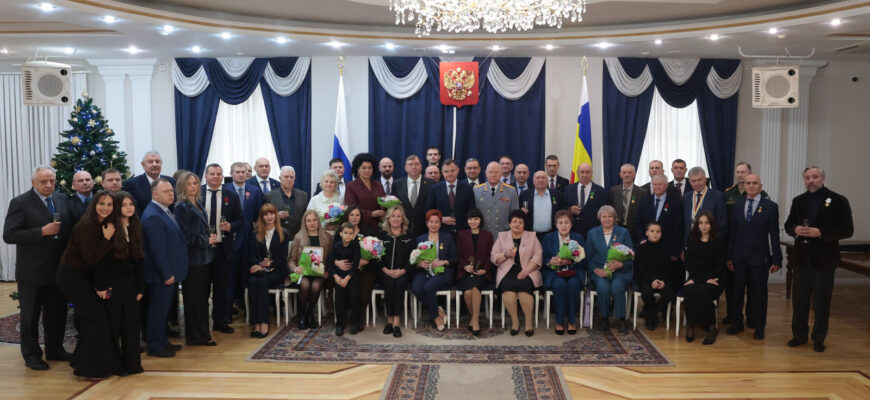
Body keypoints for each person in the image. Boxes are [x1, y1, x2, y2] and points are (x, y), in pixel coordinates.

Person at [3, 165, 72, 370]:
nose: (49, 185)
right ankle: (32, 355)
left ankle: (55, 349)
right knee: (30, 317)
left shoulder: (61, 199)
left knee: (57, 313)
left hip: (58, 270)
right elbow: (9, 235)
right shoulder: (20, 203)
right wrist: (41, 231)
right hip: (32, 272)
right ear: (33, 182)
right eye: (43, 181)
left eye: (52, 181)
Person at [784, 166, 853, 352]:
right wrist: (794, 229)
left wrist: (821, 232)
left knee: (822, 302)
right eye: (807, 177)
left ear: (823, 178)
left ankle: (818, 339)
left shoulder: (838, 200)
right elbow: (789, 223)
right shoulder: (798, 201)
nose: (811, 180)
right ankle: (799, 335)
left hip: (824, 260)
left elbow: (848, 229)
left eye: (815, 177)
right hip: (802, 259)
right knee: (799, 301)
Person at [56, 190, 122, 377]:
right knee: (98, 319)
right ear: (94, 205)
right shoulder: (87, 225)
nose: (105, 208)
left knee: (89, 319)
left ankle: (80, 360)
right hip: (72, 278)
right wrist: (107, 239)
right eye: (101, 203)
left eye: (109, 204)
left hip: (82, 277)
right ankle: (90, 368)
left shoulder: (102, 223)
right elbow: (91, 258)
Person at [726, 174, 782, 340]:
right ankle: (737, 323)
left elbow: (774, 235)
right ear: (744, 185)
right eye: (748, 183)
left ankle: (758, 325)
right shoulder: (737, 205)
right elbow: (732, 233)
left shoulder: (770, 206)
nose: (751, 186)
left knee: (758, 294)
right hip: (739, 257)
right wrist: (729, 256)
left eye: (754, 183)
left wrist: (777, 259)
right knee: (737, 293)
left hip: (760, 258)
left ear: (760, 186)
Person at [141, 179, 189, 358]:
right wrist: (167, 273)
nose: (171, 194)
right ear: (155, 194)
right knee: (158, 311)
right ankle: (155, 345)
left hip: (167, 271)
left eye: (171, 190)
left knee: (163, 311)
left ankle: (163, 341)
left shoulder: (163, 210)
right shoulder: (153, 215)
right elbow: (157, 250)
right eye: (166, 191)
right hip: (160, 274)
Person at [102, 191, 145, 374]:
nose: (129, 208)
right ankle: (115, 364)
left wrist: (140, 287)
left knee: (131, 326)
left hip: (131, 283)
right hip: (113, 283)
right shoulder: (109, 227)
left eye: (131, 204)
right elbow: (102, 261)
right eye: (124, 205)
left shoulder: (135, 226)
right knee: (114, 325)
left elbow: (140, 260)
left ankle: (133, 364)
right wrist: (104, 285)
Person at [722, 162, 769, 325]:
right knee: (733, 286)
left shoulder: (762, 195)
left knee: (753, 287)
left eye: (744, 172)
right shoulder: (728, 194)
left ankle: (752, 317)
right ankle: (733, 316)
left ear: (750, 173)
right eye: (738, 172)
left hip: (754, 248)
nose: (740, 175)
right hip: (734, 244)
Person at [173, 172, 216, 346]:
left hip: (205, 259)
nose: (193, 186)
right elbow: (185, 236)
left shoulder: (198, 203)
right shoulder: (181, 207)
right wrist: (207, 240)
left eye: (195, 183)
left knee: (203, 299)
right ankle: (196, 336)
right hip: (193, 261)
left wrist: (209, 239)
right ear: (182, 186)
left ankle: (203, 334)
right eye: (189, 184)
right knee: (194, 300)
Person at [202, 163, 244, 334]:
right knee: (203, 289)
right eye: (212, 174)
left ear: (223, 176)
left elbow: (240, 220)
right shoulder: (197, 194)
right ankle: (202, 324)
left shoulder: (231, 195)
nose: (215, 177)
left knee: (221, 288)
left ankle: (220, 322)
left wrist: (231, 226)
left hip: (222, 248)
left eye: (219, 174)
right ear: (206, 176)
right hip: (202, 249)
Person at [491, 210, 542, 336]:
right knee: (508, 291)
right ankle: (515, 322)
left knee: (524, 290)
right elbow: (493, 257)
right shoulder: (502, 236)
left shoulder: (532, 236)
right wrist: (505, 255)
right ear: (509, 223)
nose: (517, 225)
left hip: (528, 271)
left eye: (520, 222)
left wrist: (526, 271)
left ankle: (528, 322)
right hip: (507, 271)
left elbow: (538, 256)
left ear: (524, 224)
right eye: (514, 221)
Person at [585, 205, 634, 333]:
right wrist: (595, 269)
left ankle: (621, 320)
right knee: (603, 287)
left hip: (620, 271)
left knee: (617, 287)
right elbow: (588, 256)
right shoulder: (592, 233)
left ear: (614, 218)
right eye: (604, 216)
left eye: (610, 216)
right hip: (600, 271)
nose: (607, 219)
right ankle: (604, 318)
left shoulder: (623, 232)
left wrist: (621, 265)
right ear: (599, 218)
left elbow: (631, 255)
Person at [634, 174, 684, 296]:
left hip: (667, 249)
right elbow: (637, 222)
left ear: (666, 185)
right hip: (647, 248)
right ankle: (649, 303)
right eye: (654, 184)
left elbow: (678, 228)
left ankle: (666, 305)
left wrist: (675, 251)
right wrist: (642, 239)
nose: (657, 187)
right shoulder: (645, 200)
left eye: (660, 184)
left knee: (667, 285)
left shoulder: (675, 202)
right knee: (647, 284)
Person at [247, 203, 290, 338]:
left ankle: (264, 322)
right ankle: (256, 322)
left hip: (277, 271)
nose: (269, 217)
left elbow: (282, 258)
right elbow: (252, 255)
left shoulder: (283, 233)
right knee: (253, 281)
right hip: (261, 270)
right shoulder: (255, 234)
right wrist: (260, 264)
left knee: (262, 282)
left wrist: (270, 265)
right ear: (262, 217)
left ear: (276, 215)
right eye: (266, 214)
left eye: (272, 213)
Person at [682, 210, 725, 345]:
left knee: (704, 291)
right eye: (700, 223)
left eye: (706, 223)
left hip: (714, 279)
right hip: (696, 277)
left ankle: (712, 327)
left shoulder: (718, 241)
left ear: (712, 224)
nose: (703, 226)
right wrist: (698, 279)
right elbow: (688, 263)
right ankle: (690, 325)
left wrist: (702, 279)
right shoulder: (692, 239)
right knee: (688, 291)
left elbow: (719, 267)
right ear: (697, 225)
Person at [226, 162, 263, 312]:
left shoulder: (254, 190)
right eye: (237, 172)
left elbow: (258, 215)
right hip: (229, 238)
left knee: (245, 272)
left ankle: (245, 304)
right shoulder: (225, 190)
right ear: (231, 173)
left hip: (248, 238)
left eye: (243, 172)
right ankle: (228, 308)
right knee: (230, 275)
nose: (241, 174)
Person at [411, 210, 457, 331]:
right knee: (416, 288)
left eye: (437, 222)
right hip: (424, 272)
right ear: (427, 223)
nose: (434, 224)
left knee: (428, 287)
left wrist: (443, 262)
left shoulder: (447, 238)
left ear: (440, 224)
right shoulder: (419, 239)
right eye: (431, 222)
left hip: (442, 272)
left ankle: (435, 318)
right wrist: (419, 264)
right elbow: (414, 259)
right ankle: (437, 311)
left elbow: (454, 258)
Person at [542, 210, 585, 335]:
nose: (564, 225)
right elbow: (542, 258)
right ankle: (559, 321)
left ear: (571, 224)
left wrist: (570, 261)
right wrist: (550, 261)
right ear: (556, 225)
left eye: (567, 222)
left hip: (574, 272)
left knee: (573, 285)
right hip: (554, 273)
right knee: (560, 285)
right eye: (560, 223)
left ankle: (571, 321)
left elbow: (584, 261)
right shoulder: (549, 238)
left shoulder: (578, 238)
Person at [288, 209, 332, 329]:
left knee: (316, 285)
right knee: (305, 284)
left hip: (319, 274)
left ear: (318, 221)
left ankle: (309, 313)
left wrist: (327, 271)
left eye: (314, 220)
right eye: (308, 221)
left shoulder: (327, 237)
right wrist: (295, 268)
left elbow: (331, 259)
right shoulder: (298, 237)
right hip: (303, 273)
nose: (312, 223)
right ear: (304, 223)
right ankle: (302, 315)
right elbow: (291, 260)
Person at [377, 205, 415, 338]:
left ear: (403, 218)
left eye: (399, 216)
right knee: (389, 284)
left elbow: (413, 257)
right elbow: (376, 257)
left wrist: (403, 270)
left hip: (404, 272)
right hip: (385, 272)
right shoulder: (381, 235)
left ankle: (396, 322)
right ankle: (389, 320)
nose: (396, 219)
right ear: (388, 218)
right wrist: (386, 270)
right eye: (393, 216)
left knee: (398, 284)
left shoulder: (409, 235)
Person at [455, 208, 494, 335]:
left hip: (482, 273)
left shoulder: (488, 235)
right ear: (467, 220)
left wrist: (485, 269)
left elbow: (490, 255)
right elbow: (459, 255)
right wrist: (465, 266)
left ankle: (475, 321)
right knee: (467, 292)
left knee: (476, 288)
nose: (473, 221)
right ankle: (474, 316)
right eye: (470, 219)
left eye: (476, 219)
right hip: (465, 272)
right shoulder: (462, 234)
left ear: (480, 220)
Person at [633, 222, 674, 331]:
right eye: (652, 231)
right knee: (647, 293)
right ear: (647, 233)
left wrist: (663, 280)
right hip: (645, 278)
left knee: (669, 293)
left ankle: (651, 313)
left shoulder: (665, 249)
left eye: (658, 232)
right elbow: (640, 268)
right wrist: (652, 280)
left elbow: (667, 269)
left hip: (660, 278)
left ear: (661, 234)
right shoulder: (641, 248)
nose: (655, 233)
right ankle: (650, 318)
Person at [338, 205, 376, 321]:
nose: (354, 218)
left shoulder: (368, 232)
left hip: (364, 269)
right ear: (347, 216)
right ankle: (343, 316)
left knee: (363, 284)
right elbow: (334, 253)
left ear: (361, 217)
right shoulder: (340, 231)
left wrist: (366, 260)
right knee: (342, 286)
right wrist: (337, 262)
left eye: (357, 215)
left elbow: (375, 252)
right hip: (345, 268)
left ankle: (358, 316)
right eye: (352, 215)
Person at [425, 159, 475, 238]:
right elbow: (429, 210)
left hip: (463, 233)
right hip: (441, 232)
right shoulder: (435, 189)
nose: (449, 174)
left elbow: (472, 211)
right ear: (442, 172)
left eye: (452, 171)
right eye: (446, 171)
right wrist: (441, 219)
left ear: (458, 170)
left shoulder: (467, 188)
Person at [328, 222, 363, 336]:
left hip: (351, 276)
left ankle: (355, 323)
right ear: (341, 234)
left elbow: (355, 264)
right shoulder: (336, 246)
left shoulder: (355, 246)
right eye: (346, 233)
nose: (348, 235)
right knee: (339, 297)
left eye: (351, 233)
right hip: (339, 276)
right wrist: (336, 277)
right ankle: (340, 324)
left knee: (355, 296)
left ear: (353, 235)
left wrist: (346, 279)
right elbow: (330, 263)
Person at [682, 166, 727, 245]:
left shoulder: (718, 196)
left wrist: (716, 244)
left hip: (709, 243)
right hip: (689, 242)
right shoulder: (686, 197)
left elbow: (722, 223)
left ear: (705, 179)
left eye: (699, 180)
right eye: (693, 181)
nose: (697, 184)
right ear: (690, 182)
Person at [564, 163, 609, 237]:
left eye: (588, 172)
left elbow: (604, 211)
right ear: (577, 173)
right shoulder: (568, 189)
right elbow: (563, 207)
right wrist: (570, 209)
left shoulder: (601, 191)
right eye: (582, 172)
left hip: (593, 231)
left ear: (591, 173)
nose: (585, 175)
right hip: (573, 230)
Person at [393, 155, 433, 238]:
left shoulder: (431, 184)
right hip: (403, 229)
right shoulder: (397, 184)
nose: (414, 167)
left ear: (421, 167)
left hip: (425, 229)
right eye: (411, 164)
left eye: (417, 164)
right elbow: (395, 206)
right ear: (405, 168)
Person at [345, 153, 387, 231]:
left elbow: (384, 202)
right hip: (360, 226)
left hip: (379, 226)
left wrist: (384, 211)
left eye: (369, 168)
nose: (367, 170)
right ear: (358, 169)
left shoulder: (378, 185)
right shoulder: (351, 186)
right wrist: (371, 214)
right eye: (364, 168)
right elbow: (351, 207)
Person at [474, 161, 519, 234]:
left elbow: (515, 215)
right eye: (490, 172)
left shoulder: (511, 191)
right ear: (486, 174)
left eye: (496, 172)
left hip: (503, 233)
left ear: (501, 174)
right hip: (483, 233)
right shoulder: (476, 190)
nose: (493, 175)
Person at [519, 170, 565, 241]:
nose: (540, 180)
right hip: (530, 235)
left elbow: (562, 213)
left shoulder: (557, 195)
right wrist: (521, 211)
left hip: (551, 235)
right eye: (538, 178)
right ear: (533, 181)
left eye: (543, 178)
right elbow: (518, 212)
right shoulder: (524, 195)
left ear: (547, 181)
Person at [608, 164, 647, 244]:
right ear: (620, 174)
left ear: (634, 174)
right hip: (617, 229)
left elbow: (644, 213)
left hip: (635, 232)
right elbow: (609, 208)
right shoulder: (613, 191)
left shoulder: (642, 192)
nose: (627, 175)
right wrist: (613, 218)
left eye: (630, 172)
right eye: (624, 172)